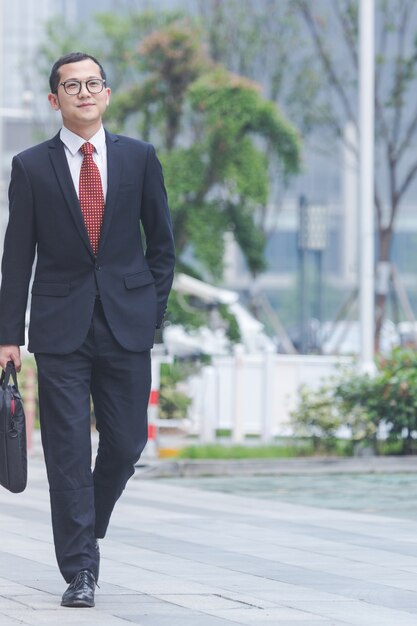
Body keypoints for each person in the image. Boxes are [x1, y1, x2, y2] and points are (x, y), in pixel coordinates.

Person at [0, 52, 175, 608]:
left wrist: (151, 314)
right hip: (59, 331)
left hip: (126, 325)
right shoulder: (30, 166)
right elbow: (16, 258)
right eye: (70, 86)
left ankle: (87, 520)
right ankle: (80, 570)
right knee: (69, 453)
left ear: (106, 92)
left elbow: (162, 247)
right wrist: (9, 335)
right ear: (54, 100)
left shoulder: (140, 158)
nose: (83, 92)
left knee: (126, 444)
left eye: (92, 83)